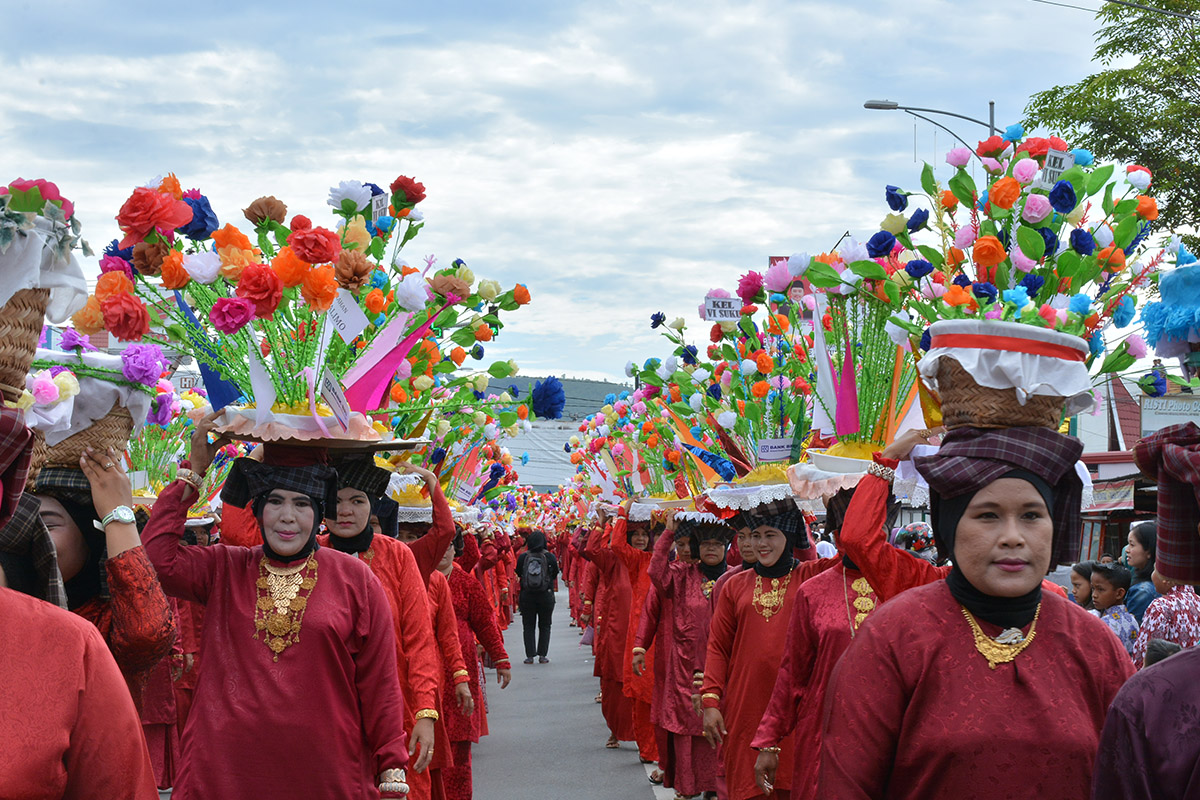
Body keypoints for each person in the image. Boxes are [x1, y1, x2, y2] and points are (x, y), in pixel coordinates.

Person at [819, 426, 1135, 799]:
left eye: (1032, 515)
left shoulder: (1093, 643)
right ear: (950, 528)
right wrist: (888, 460)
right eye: (987, 515)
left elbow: (1131, 777)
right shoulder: (892, 638)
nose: (1013, 536)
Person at [141, 413, 410, 799]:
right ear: (259, 509)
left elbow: (379, 682)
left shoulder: (355, 579)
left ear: (318, 513)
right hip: (225, 772)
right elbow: (155, 559)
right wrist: (193, 474)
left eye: (302, 503)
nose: (287, 517)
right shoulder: (225, 567)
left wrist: (391, 765)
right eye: (275, 502)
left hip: (325, 772)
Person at [753, 486, 899, 800]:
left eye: (875, 528)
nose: (865, 538)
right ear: (836, 533)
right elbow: (793, 672)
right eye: (854, 529)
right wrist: (769, 740)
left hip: (895, 733)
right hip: (824, 732)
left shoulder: (911, 582)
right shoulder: (813, 591)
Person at [319, 457, 444, 800]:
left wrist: (424, 714)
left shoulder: (398, 556)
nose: (344, 511)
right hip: (327, 711)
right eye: (334, 501)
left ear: (372, 505)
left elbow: (419, 639)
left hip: (396, 707)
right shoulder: (309, 558)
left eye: (356, 501)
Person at [701, 497, 839, 800]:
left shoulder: (813, 576)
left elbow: (857, 548)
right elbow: (718, 647)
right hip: (745, 705)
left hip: (798, 707)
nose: (760, 544)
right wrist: (710, 700)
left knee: (797, 785)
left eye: (770, 535)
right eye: (755, 535)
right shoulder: (735, 586)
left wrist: (836, 505)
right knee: (748, 789)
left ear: (789, 536)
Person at [643, 512, 728, 800]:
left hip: (725, 667)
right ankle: (689, 785)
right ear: (697, 548)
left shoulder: (737, 577)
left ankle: (720, 786)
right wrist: (667, 534)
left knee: (723, 726)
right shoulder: (681, 575)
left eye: (718, 544)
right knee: (688, 729)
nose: (712, 549)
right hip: (685, 667)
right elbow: (655, 573)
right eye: (706, 545)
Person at [436, 531, 512, 800]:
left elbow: (485, 623)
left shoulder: (466, 583)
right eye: (437, 545)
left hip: (460, 670)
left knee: (458, 744)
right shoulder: (413, 578)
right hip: (426, 670)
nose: (443, 552)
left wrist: (501, 659)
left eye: (448, 547)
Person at [610, 499, 663, 769]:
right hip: (643, 635)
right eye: (637, 534)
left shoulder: (677, 559)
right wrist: (623, 512)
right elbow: (616, 545)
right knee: (643, 694)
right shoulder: (638, 561)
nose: (641, 539)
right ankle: (648, 748)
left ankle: (665, 748)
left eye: (646, 534)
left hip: (669, 633)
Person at [1130, 566, 1200, 667]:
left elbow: (1144, 654)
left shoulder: (1160, 606)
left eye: (1155, 570)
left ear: (1166, 580)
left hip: (1167, 676)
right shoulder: (1198, 601)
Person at [516, 528, 559, 663]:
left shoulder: (523, 556)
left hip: (527, 595)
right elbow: (555, 573)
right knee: (545, 625)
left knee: (528, 625)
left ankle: (529, 655)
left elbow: (518, 572)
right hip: (545, 594)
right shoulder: (550, 556)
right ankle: (542, 654)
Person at [1091, 562, 1139, 663]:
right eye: (1093, 588)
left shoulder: (1104, 624)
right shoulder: (1132, 620)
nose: (1094, 595)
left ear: (1119, 593)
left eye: (1100, 589)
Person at [1125, 522, 1161, 623]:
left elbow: (1131, 629)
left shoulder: (1143, 591)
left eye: (1132, 545)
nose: (1127, 550)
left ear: (1149, 551)